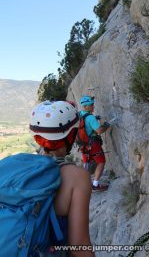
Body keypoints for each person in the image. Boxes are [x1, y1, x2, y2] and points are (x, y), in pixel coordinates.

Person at [29, 100, 95, 256]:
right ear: (71, 136)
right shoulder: (77, 177)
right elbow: (79, 247)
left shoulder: (16, 167)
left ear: (37, 137)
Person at [79, 95, 110, 192]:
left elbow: (85, 123)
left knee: (87, 163)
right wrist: (106, 125)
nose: (93, 106)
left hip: (83, 144)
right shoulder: (91, 118)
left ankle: (83, 185)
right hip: (93, 144)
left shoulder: (80, 114)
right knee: (101, 162)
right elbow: (99, 131)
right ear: (86, 106)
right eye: (91, 105)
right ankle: (95, 185)